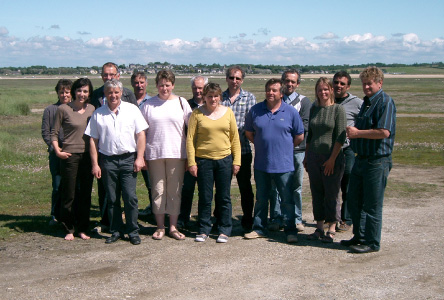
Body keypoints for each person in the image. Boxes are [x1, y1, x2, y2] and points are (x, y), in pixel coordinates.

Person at [86, 79, 148, 245]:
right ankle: (116, 230)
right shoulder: (98, 113)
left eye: (116, 92)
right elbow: (93, 140)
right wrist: (95, 164)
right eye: (110, 92)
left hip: (128, 159)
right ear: (105, 94)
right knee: (112, 199)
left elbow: (141, 134)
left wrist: (140, 158)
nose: (113, 95)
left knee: (130, 198)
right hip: (108, 160)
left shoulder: (132, 110)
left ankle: (133, 231)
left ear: (121, 93)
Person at [341, 66, 396, 253]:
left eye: (369, 84)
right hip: (361, 159)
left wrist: (357, 133)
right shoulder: (366, 102)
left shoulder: (385, 102)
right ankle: (359, 236)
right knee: (355, 200)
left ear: (379, 83)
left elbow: (384, 132)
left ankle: (372, 242)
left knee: (372, 204)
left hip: (377, 160)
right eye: (364, 84)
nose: (366, 88)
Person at [244, 78, 304, 243]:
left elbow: (299, 136)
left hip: (284, 165)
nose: (270, 93)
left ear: (281, 93)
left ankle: (290, 230)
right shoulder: (256, 110)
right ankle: (259, 228)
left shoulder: (291, 112)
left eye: (274, 90)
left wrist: (284, 146)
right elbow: (249, 132)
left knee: (287, 200)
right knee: (262, 198)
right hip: (262, 164)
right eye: (268, 90)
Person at [187, 82, 241, 243]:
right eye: (209, 96)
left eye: (216, 96)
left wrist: (236, 161)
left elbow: (235, 138)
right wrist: (192, 162)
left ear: (220, 97)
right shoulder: (197, 114)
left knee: (224, 197)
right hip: (204, 161)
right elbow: (190, 140)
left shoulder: (228, 112)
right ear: (204, 97)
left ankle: (224, 229)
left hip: (224, 160)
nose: (213, 99)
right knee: (205, 196)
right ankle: (204, 228)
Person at [141, 70, 192, 240]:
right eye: (161, 85)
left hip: (177, 154)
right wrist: (141, 156)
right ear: (156, 85)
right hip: (154, 154)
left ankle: (173, 227)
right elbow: (141, 132)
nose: (164, 88)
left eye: (167, 85)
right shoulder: (148, 105)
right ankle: (160, 226)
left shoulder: (181, 102)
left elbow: (191, 128)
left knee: (174, 191)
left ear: (173, 85)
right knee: (158, 191)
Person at [90, 62, 137, 233]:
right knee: (107, 193)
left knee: (129, 194)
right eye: (105, 75)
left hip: (126, 153)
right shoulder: (95, 95)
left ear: (118, 75)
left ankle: (131, 227)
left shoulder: (128, 95)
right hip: (104, 151)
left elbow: (136, 124)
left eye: (112, 75)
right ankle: (108, 223)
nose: (108, 78)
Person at [50, 78, 95, 241]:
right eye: (79, 90)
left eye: (85, 91)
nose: (82, 94)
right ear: (74, 91)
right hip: (69, 156)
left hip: (87, 157)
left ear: (89, 93)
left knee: (85, 194)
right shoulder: (64, 109)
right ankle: (69, 228)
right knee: (69, 194)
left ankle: (83, 228)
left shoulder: (92, 109)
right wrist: (58, 151)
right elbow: (53, 133)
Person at [268, 69, 311, 232]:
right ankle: (276, 217)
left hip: (297, 151)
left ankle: (296, 218)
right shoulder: (274, 100)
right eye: (287, 81)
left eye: (293, 81)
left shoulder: (304, 102)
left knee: (295, 186)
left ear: (298, 83)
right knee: (275, 186)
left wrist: (286, 141)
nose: (289, 84)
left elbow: (304, 126)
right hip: (276, 152)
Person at [305, 77, 347, 243]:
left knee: (331, 192)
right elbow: (310, 135)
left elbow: (340, 136)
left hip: (332, 157)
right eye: (320, 89)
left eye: (325, 89)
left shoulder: (338, 110)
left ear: (331, 90)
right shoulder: (314, 109)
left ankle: (332, 228)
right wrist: (307, 156)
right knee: (317, 192)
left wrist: (331, 159)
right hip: (314, 156)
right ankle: (319, 227)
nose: (323, 92)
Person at [221, 66, 256, 231]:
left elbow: (251, 124)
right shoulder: (219, 97)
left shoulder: (249, 98)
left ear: (242, 80)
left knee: (245, 187)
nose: (234, 81)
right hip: (222, 152)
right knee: (222, 188)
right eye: (231, 78)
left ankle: (248, 219)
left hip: (243, 151)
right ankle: (221, 219)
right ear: (226, 79)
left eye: (238, 78)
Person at [333, 71, 363, 232]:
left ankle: (347, 218)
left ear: (348, 86)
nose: (338, 86)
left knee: (347, 184)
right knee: (330, 185)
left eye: (342, 83)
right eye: (336, 82)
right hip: (329, 150)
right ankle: (331, 217)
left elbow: (362, 124)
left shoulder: (356, 102)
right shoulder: (326, 100)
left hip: (347, 149)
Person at [178, 75, 208, 228]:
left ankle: (203, 220)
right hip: (189, 154)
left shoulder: (211, 105)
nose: (198, 91)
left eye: (200, 88)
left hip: (206, 154)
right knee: (187, 188)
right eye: (195, 88)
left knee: (205, 190)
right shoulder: (185, 105)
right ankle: (183, 218)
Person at [41, 79, 72, 225]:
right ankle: (55, 214)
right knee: (58, 185)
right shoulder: (50, 110)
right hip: (56, 154)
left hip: (74, 153)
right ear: (57, 93)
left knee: (73, 186)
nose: (64, 95)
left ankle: (72, 214)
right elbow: (46, 132)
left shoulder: (76, 108)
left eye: (67, 92)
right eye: (61, 92)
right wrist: (55, 148)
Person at [130, 71, 153, 217]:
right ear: (132, 84)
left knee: (151, 183)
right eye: (137, 82)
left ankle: (154, 209)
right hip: (129, 147)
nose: (139, 85)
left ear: (146, 84)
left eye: (142, 82)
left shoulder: (152, 102)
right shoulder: (126, 101)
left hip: (147, 149)